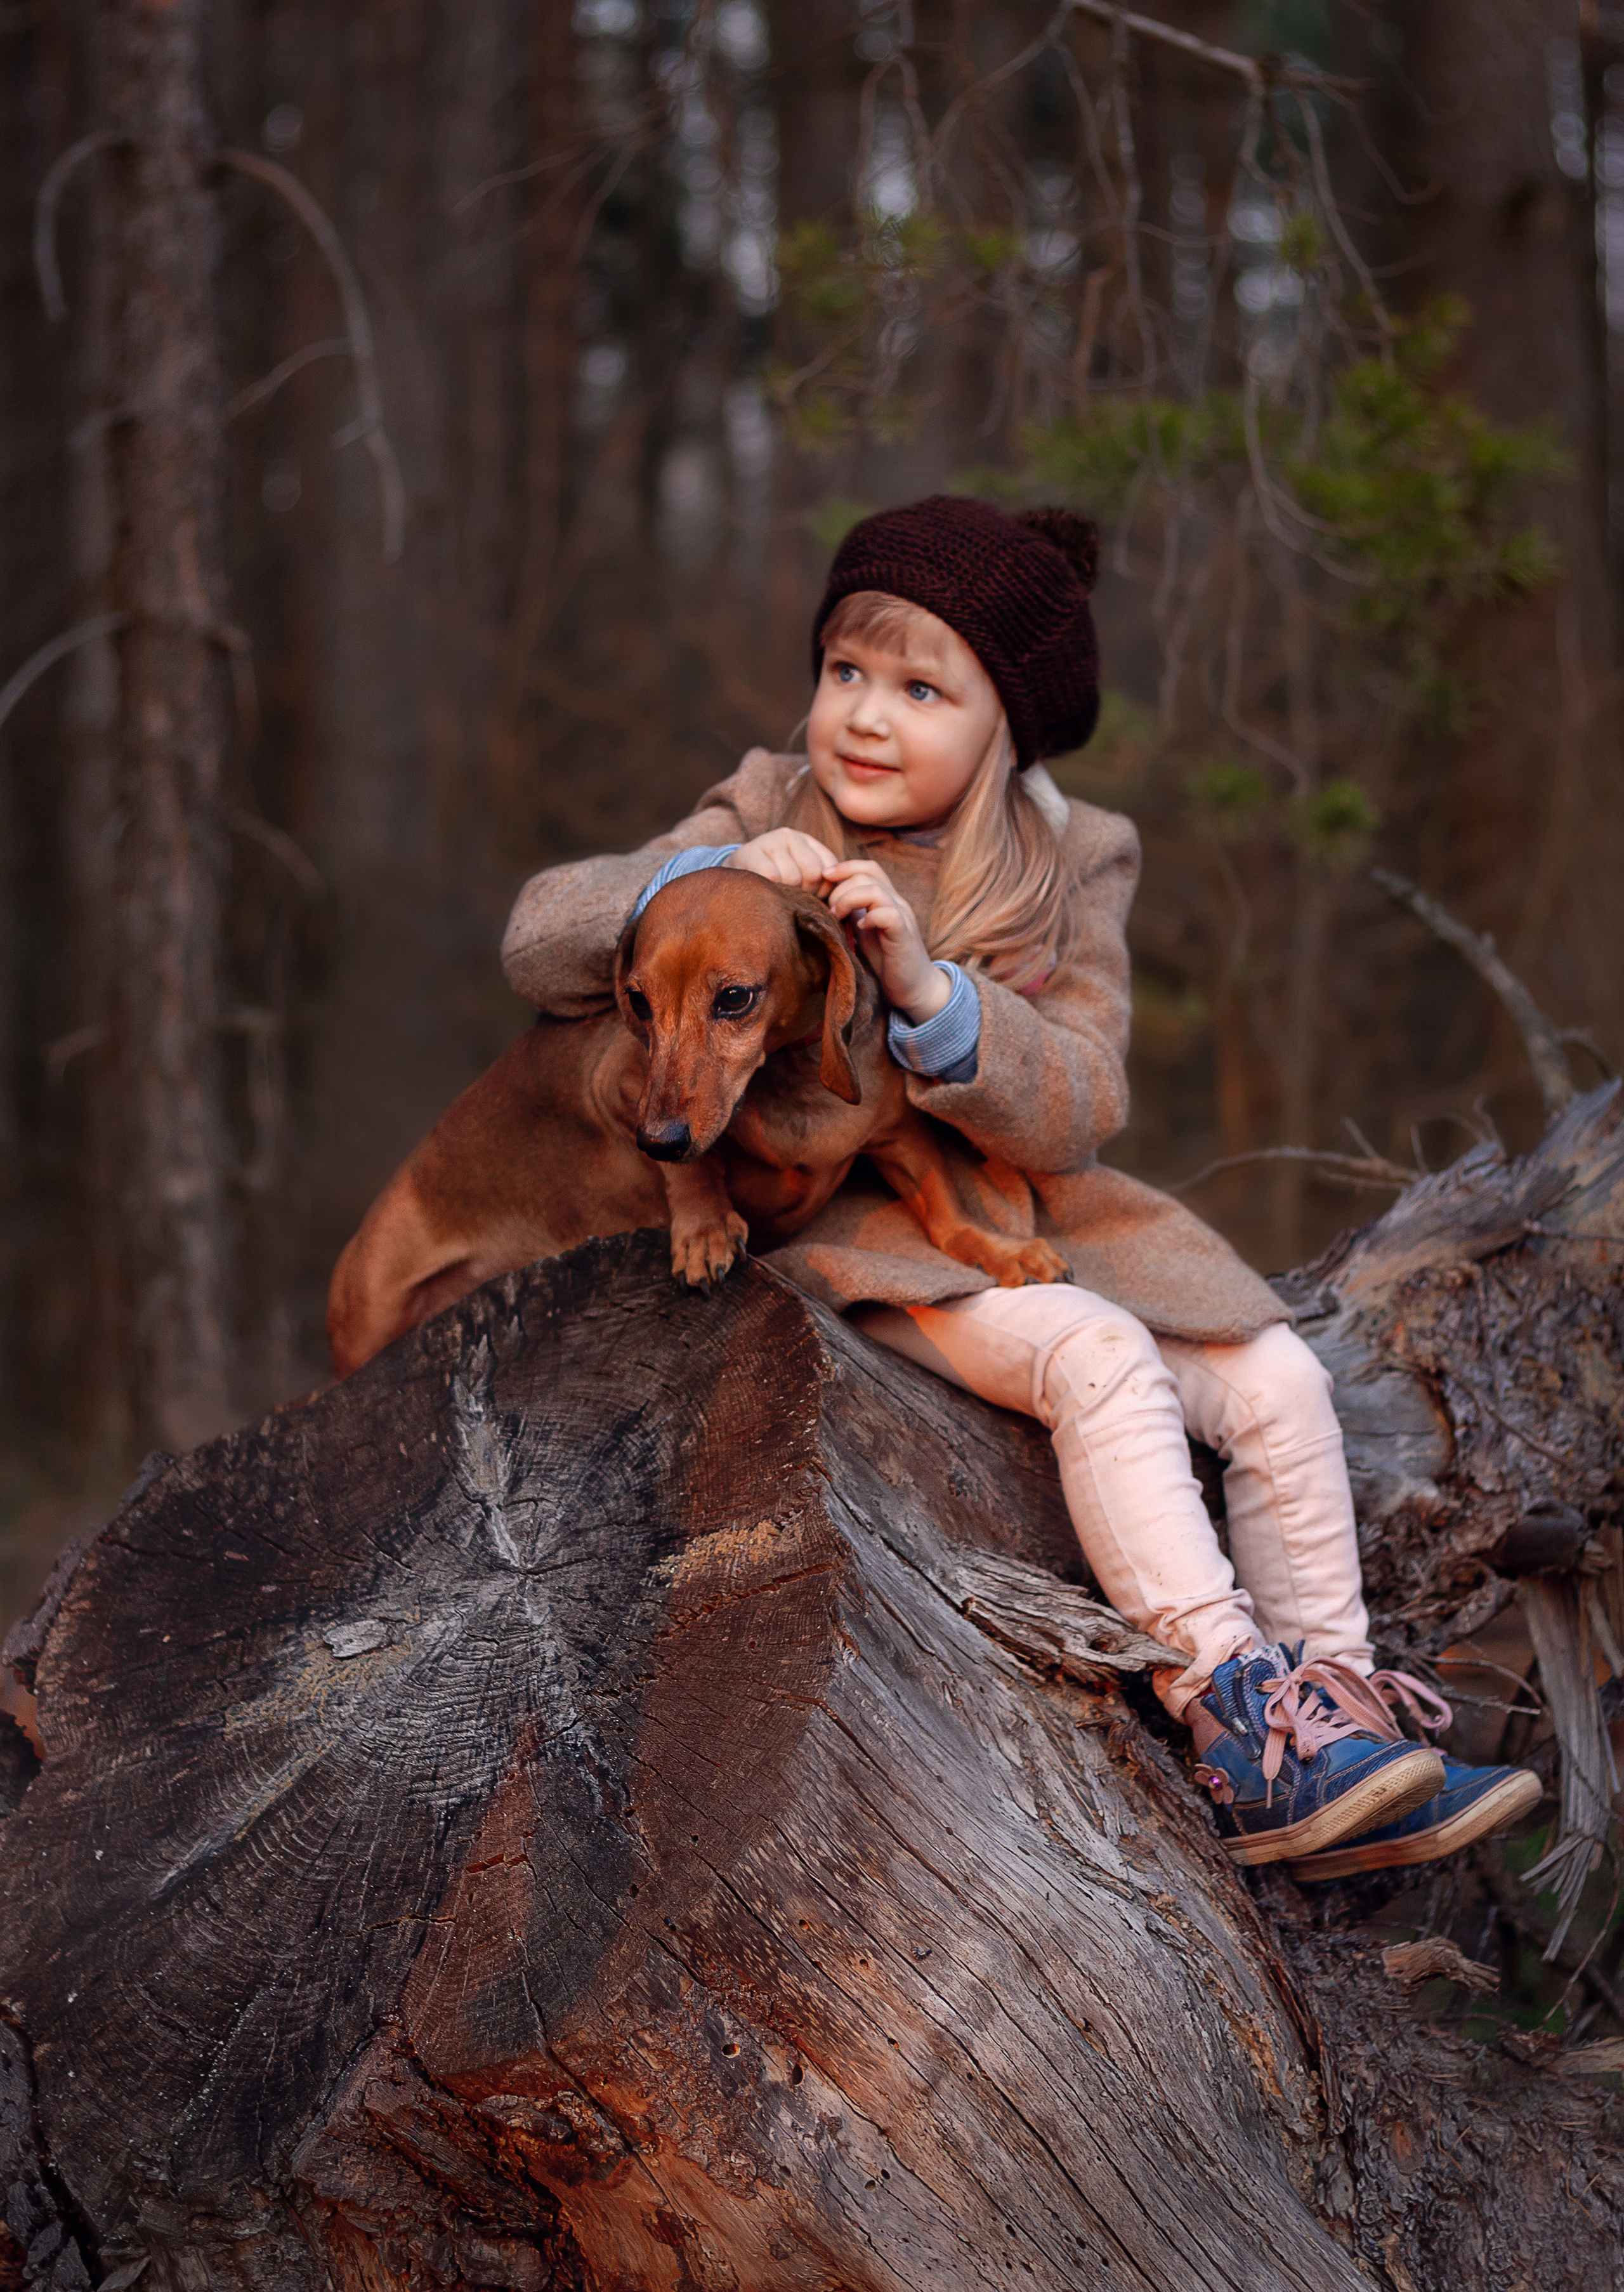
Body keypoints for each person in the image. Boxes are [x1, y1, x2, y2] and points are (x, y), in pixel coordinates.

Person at [501, 494, 1540, 1880]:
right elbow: (536, 939)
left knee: (1277, 1380)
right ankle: (1229, 1714)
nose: (864, 716)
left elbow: (1084, 1105)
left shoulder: (1071, 857)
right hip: (863, 1228)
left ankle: (1331, 1723)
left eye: (920, 687)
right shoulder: (763, 804)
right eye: (844, 673)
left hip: (1035, 1211)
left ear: (1006, 724)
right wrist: (702, 870)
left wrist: (934, 993)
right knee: (1101, 1362)